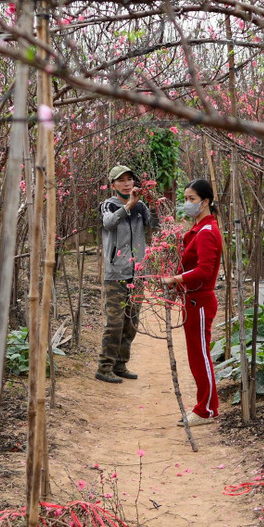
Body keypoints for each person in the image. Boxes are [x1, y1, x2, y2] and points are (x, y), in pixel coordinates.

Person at [159, 179, 222, 425]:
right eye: (185, 199)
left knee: (202, 356)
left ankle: (206, 409)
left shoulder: (207, 233)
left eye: (192, 199)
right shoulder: (197, 229)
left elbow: (205, 271)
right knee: (196, 356)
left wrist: (177, 278)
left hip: (201, 301)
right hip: (192, 300)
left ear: (205, 202)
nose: (187, 204)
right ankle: (205, 407)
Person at [97, 164, 158, 383]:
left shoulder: (140, 206)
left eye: (129, 179)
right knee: (114, 322)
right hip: (116, 273)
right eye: (121, 180)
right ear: (113, 185)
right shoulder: (108, 206)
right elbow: (109, 223)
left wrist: (151, 205)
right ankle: (104, 367)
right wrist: (128, 205)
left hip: (138, 272)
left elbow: (155, 226)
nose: (126, 183)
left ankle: (121, 365)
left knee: (131, 321)